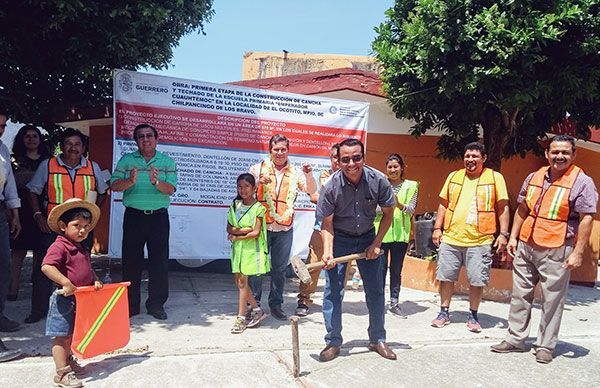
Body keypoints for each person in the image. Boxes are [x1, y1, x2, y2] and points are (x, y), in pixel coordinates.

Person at [491, 135, 598, 364]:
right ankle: (515, 339)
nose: (559, 156)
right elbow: (523, 208)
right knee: (520, 295)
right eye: (555, 152)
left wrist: (578, 252)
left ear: (573, 155)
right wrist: (513, 237)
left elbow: (586, 218)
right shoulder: (534, 176)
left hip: (557, 247)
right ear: (547, 154)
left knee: (552, 300)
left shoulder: (582, 182)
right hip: (527, 244)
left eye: (565, 153)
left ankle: (545, 345)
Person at [317, 138, 397, 362]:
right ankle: (333, 342)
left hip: (367, 237)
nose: (351, 163)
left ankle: (377, 338)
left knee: (375, 290)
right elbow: (327, 223)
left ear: (363, 157)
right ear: (338, 161)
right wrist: (328, 251)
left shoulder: (378, 180)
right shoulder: (331, 186)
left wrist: (377, 243)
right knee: (332, 292)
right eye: (345, 159)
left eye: (356, 158)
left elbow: (388, 213)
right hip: (340, 237)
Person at [26, 127, 108, 324]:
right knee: (44, 267)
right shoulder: (48, 165)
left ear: (83, 147)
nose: (73, 148)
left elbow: (103, 192)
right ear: (61, 147)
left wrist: (92, 220)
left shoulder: (93, 167)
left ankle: (80, 310)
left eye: (77, 144)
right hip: (54, 226)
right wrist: (38, 216)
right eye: (69, 144)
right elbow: (33, 192)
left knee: (82, 267)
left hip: (81, 228)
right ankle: (39, 310)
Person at [431, 142, 510, 333]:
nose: (470, 160)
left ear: (484, 158)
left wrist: (503, 234)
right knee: (446, 277)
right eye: (467, 156)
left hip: (480, 240)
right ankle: (444, 312)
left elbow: (503, 207)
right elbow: (443, 204)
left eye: (475, 156)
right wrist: (437, 228)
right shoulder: (454, 176)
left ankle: (473, 315)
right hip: (451, 237)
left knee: (477, 280)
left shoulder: (494, 178)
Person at [110, 123, 177, 320]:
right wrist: (129, 182)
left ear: (156, 139)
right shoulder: (127, 160)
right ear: (136, 140)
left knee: (159, 262)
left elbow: (171, 189)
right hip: (134, 217)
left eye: (149, 135)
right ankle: (130, 306)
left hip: (158, 217)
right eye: (141, 136)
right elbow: (114, 185)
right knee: (131, 262)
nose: (145, 139)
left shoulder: (166, 162)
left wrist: (156, 183)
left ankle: (156, 305)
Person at [248, 134, 316, 320]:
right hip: (261, 227)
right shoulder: (257, 168)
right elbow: (245, 190)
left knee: (279, 269)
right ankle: (253, 305)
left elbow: (310, 190)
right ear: (270, 150)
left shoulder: (295, 173)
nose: (279, 153)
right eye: (276, 149)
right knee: (257, 268)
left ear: (288, 151)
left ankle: (276, 304)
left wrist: (309, 174)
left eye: (283, 149)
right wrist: (257, 184)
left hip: (284, 228)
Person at [41, 198, 103, 387]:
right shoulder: (59, 245)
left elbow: (86, 267)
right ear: (62, 226)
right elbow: (47, 267)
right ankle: (61, 373)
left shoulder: (81, 246)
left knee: (72, 334)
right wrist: (65, 282)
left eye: (86, 226)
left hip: (80, 299)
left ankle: (69, 361)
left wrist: (95, 279)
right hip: (64, 300)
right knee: (62, 335)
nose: (83, 230)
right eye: (77, 225)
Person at [295, 143, 340, 317]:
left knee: (340, 268)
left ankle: (336, 301)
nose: (337, 161)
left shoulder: (354, 179)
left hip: (344, 232)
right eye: (334, 157)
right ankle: (304, 299)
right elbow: (316, 198)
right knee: (312, 266)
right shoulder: (326, 176)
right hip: (321, 229)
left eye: (339, 157)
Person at [8, 125, 50, 301]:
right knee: (18, 251)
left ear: (40, 139)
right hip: (20, 209)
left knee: (41, 250)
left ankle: (37, 287)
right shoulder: (13, 161)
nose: (31, 139)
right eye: (27, 136)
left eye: (35, 136)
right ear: (21, 139)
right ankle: (12, 288)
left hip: (43, 208)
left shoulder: (49, 160)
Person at [374, 153, 419, 318]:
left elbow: (411, 210)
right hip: (381, 234)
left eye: (396, 167)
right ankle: (378, 303)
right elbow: (373, 209)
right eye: (390, 167)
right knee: (380, 270)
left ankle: (394, 302)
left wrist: (398, 204)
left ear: (402, 168)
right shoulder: (379, 184)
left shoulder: (412, 186)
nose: (393, 170)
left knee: (396, 269)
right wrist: (385, 207)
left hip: (401, 235)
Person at [227, 173, 270, 333]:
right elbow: (229, 227)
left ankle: (241, 317)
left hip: (251, 251)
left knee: (243, 283)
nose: (243, 190)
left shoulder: (259, 208)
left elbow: (256, 232)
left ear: (254, 188)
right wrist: (243, 230)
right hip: (238, 251)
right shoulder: (235, 205)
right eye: (240, 186)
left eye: (246, 186)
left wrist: (237, 236)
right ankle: (258, 311)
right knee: (239, 282)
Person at [0, 112, 22, 333]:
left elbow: (10, 184)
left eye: (3, 126)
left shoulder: (3, 149)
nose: (0, 129)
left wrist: (14, 213)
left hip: (1, 212)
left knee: (3, 265)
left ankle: (0, 315)